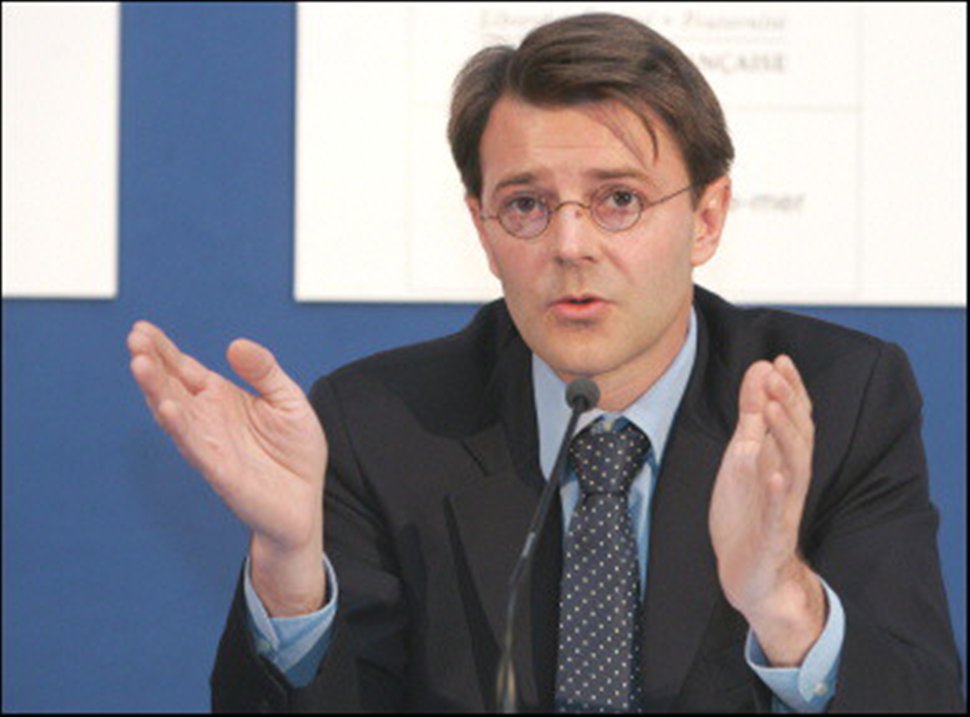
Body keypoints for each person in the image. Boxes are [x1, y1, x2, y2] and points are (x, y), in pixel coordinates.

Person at [127, 12, 964, 713]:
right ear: (483, 228)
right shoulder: (377, 425)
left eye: (619, 200)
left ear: (707, 218)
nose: (570, 245)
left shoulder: (836, 400)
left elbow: (921, 696)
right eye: (526, 204)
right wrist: (288, 571)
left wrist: (783, 601)